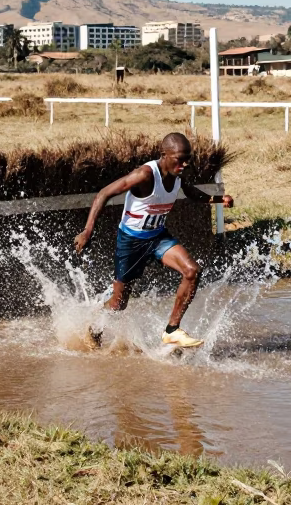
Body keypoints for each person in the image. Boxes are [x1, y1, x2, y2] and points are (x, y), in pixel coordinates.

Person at [74, 132, 233, 348]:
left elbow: (191, 193)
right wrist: (87, 230)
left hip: (157, 237)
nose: (185, 164)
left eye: (188, 159)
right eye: (180, 159)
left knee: (192, 271)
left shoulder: (177, 174)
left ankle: (172, 330)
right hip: (130, 242)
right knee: (118, 304)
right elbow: (103, 193)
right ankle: (93, 327)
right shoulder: (145, 175)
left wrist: (217, 199)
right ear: (164, 155)